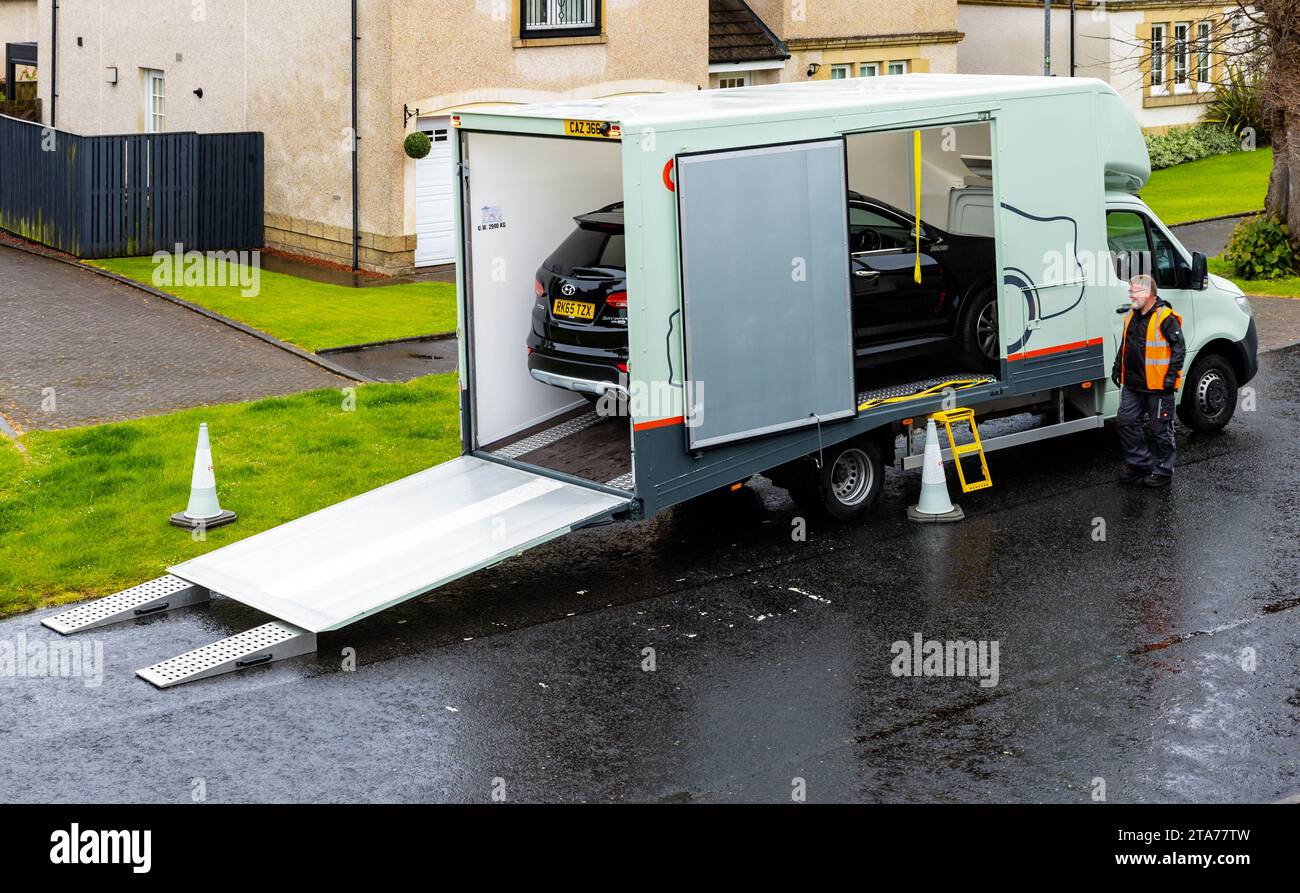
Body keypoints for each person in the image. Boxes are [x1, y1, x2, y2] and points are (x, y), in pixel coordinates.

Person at [1112, 274, 1185, 488]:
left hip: (1158, 386)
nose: (1131, 295)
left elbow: (1178, 349)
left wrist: (1171, 378)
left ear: (1148, 294)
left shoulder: (1165, 318)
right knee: (1125, 421)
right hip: (1133, 385)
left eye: (1134, 291)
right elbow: (1125, 345)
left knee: (1161, 429)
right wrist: (1118, 367)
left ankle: (1163, 471)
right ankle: (1139, 465)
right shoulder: (1131, 316)